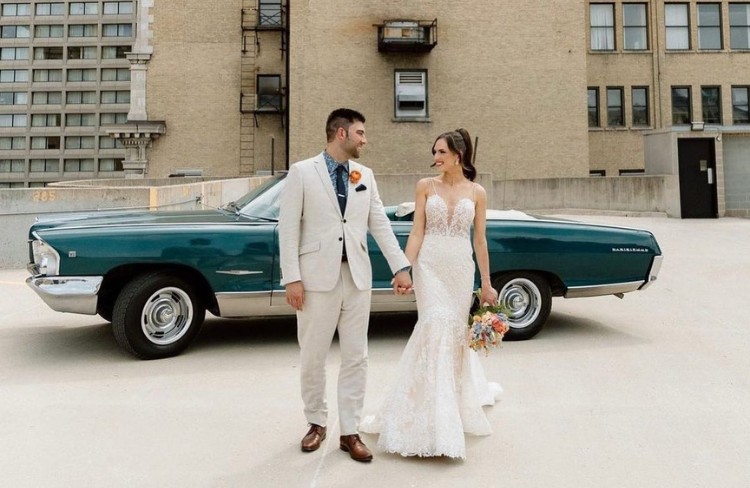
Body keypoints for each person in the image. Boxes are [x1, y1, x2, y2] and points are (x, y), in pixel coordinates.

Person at [278, 108, 413, 463]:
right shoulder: (302, 172)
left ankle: (349, 432)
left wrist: (400, 266)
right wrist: (292, 277)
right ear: (341, 134)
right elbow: (289, 228)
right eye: (360, 133)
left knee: (357, 357)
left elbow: (380, 224)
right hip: (314, 280)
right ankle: (316, 422)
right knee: (312, 356)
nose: (365, 140)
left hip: (357, 278)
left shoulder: (363, 174)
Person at [360, 128, 502, 459]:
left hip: (461, 270)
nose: (435, 158)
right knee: (434, 326)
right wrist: (405, 268)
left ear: (458, 154)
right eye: (434, 152)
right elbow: (417, 230)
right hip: (430, 268)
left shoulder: (477, 192)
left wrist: (486, 281)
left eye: (441, 152)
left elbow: (479, 240)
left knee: (453, 336)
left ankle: (448, 403)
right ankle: (429, 418)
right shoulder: (426, 186)